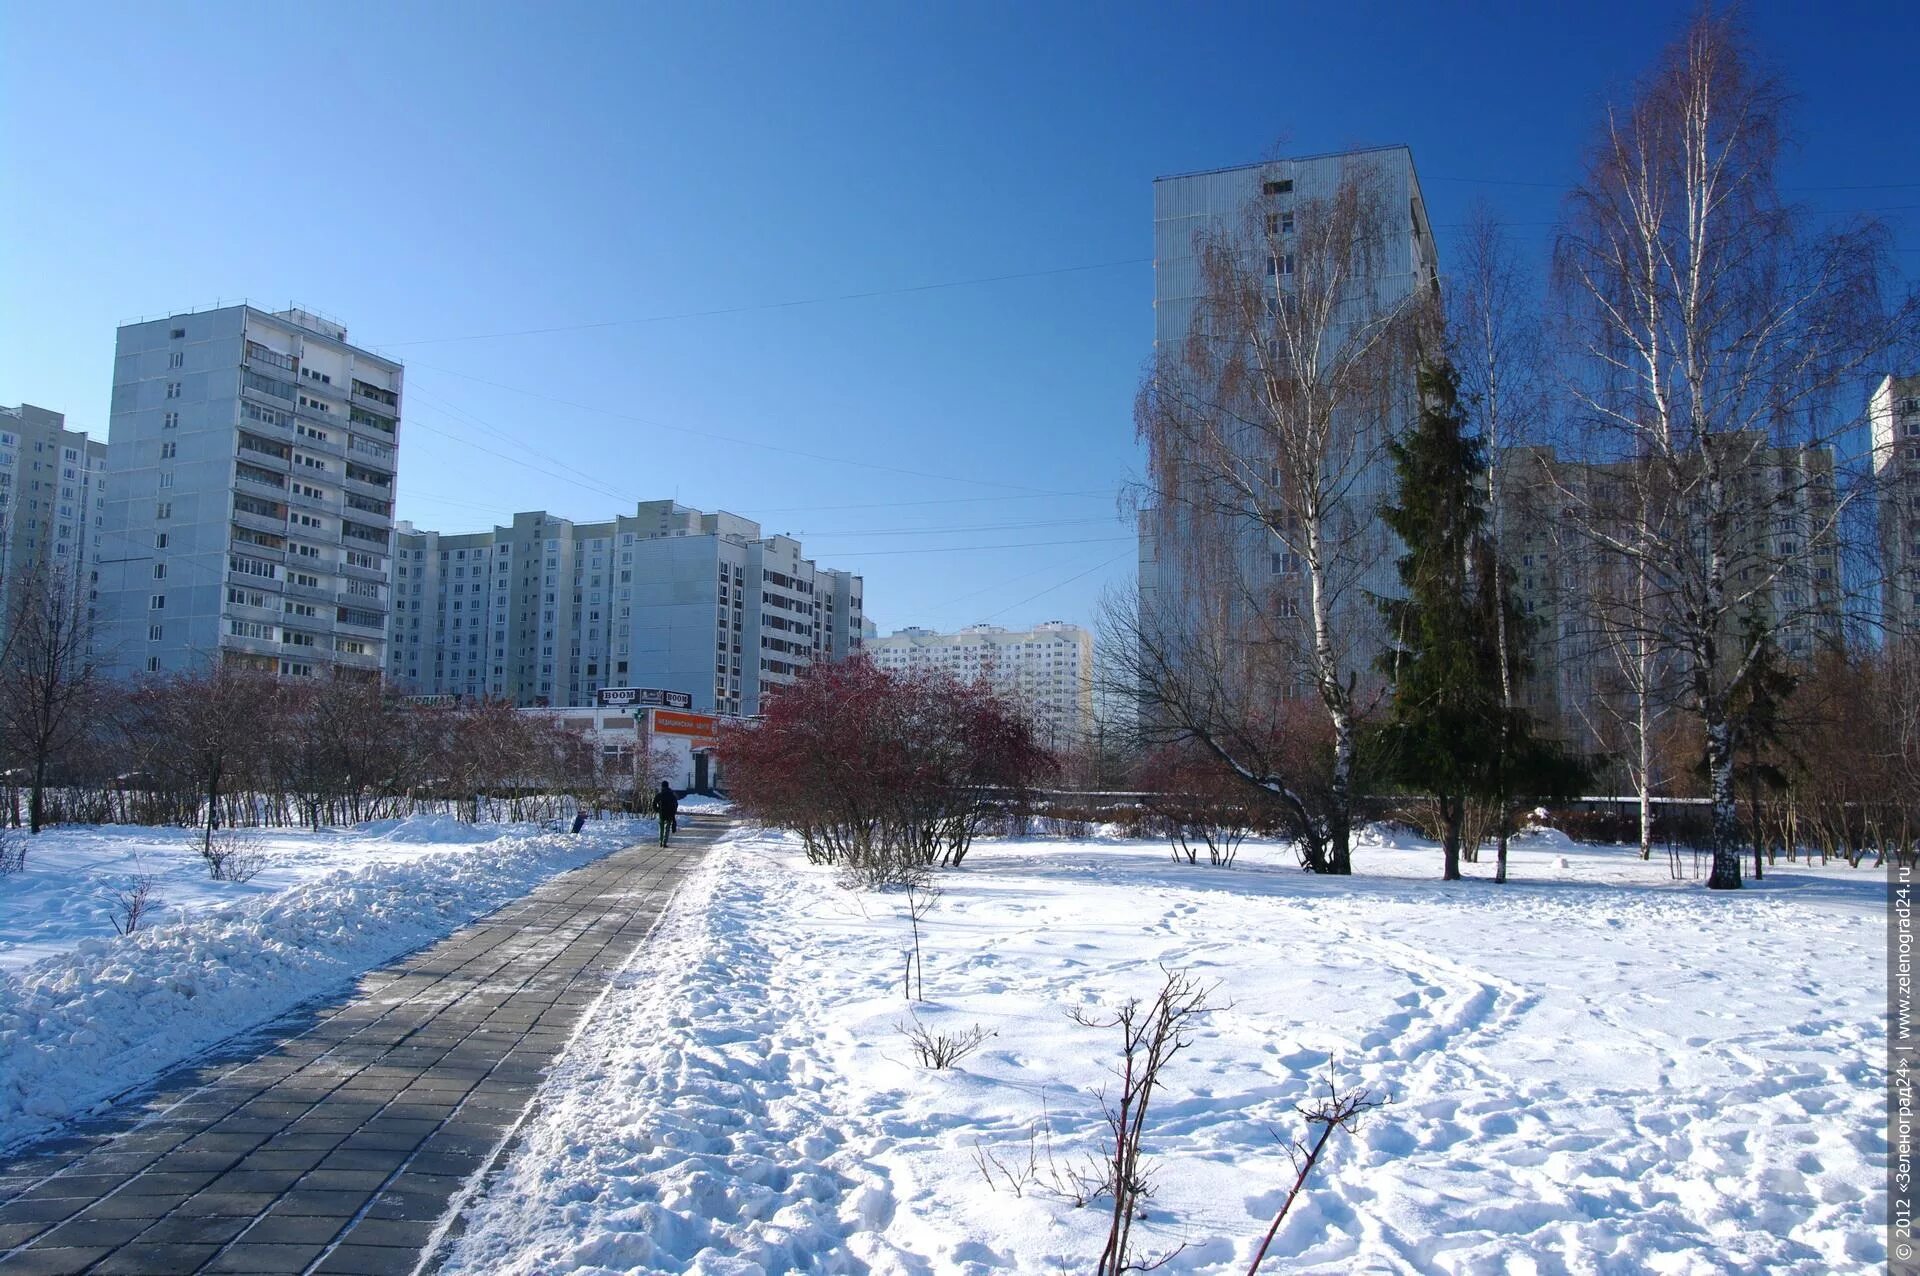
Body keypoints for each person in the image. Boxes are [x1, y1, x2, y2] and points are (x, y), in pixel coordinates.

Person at [655, 781, 679, 846]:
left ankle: (660, 841)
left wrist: (657, 810)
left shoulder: (660, 794)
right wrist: (674, 811)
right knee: (667, 828)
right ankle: (664, 842)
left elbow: (654, 802)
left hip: (661, 813)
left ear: (662, 786)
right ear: (668, 786)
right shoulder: (672, 795)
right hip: (669, 813)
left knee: (661, 828)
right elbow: (676, 804)